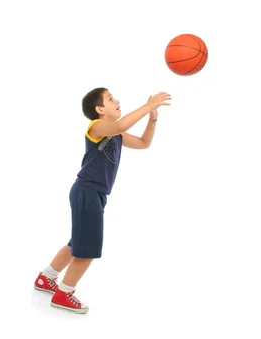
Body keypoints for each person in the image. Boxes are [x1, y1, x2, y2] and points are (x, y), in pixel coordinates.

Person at [33, 88, 171, 314]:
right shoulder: (95, 127)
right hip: (86, 191)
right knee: (86, 249)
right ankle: (64, 293)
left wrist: (153, 117)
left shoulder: (116, 134)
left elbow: (144, 143)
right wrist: (148, 105)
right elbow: (120, 125)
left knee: (76, 243)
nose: (117, 101)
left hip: (93, 194)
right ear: (99, 110)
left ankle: (46, 278)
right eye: (110, 99)